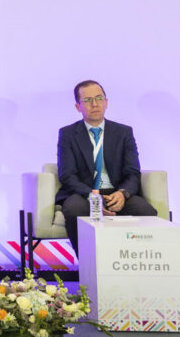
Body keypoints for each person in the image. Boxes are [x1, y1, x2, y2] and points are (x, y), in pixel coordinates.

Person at [56, 80, 157, 255]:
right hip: (83, 194)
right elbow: (67, 175)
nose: (95, 104)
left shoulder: (124, 132)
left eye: (99, 98)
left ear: (106, 102)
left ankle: (136, 261)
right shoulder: (68, 134)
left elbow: (132, 172)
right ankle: (88, 263)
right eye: (87, 100)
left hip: (116, 192)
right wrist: (93, 197)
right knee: (74, 209)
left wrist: (123, 193)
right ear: (78, 107)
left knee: (144, 210)